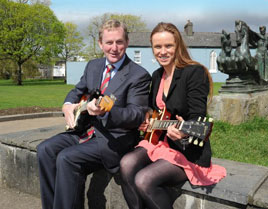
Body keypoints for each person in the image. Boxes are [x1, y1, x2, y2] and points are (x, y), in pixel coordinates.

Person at [37, 19, 151, 209]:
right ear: (100, 44)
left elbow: (136, 114)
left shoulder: (138, 75)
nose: (114, 48)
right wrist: (67, 105)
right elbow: (77, 90)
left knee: (66, 158)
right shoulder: (93, 66)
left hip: (113, 140)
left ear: (127, 42)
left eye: (119, 42)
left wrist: (106, 110)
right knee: (45, 150)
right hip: (85, 131)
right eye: (109, 42)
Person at [120, 22, 226, 209]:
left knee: (144, 180)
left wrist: (184, 131)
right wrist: (148, 120)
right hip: (160, 143)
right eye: (157, 47)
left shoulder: (194, 72)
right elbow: (154, 110)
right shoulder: (156, 75)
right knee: (126, 163)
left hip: (186, 150)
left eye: (168, 46)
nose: (162, 51)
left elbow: (197, 117)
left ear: (178, 46)